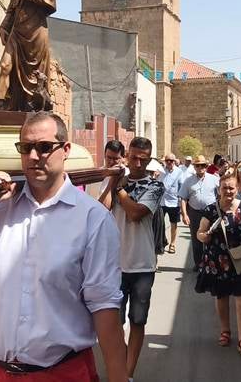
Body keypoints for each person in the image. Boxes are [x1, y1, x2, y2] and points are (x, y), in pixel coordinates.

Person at [0, 112, 128, 381]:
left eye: (44, 147)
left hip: (60, 373)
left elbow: (105, 307)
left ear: (65, 150)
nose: (34, 156)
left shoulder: (92, 220)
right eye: (26, 148)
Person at [194, 166, 241, 358]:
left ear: (237, 189)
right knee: (222, 297)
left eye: (231, 188)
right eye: (225, 188)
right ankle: (225, 330)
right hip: (218, 261)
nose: (228, 191)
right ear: (219, 189)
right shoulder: (211, 210)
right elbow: (200, 233)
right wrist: (204, 236)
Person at [110, 137, 165, 380]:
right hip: (114, 265)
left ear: (149, 159)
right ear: (127, 156)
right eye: (134, 158)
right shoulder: (114, 181)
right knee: (114, 324)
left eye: (143, 159)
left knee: (137, 321)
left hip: (143, 265)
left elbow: (135, 213)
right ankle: (120, 368)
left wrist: (119, 189)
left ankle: (128, 374)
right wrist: (113, 183)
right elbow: (101, 208)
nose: (138, 163)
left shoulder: (155, 186)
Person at [178, 155, 219, 271]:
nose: (200, 167)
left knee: (211, 238)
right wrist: (184, 214)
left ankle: (211, 262)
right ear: (194, 167)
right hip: (194, 213)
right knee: (196, 239)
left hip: (210, 213)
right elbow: (183, 198)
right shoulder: (188, 181)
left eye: (203, 165)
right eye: (198, 165)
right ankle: (199, 264)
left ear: (206, 166)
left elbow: (220, 194)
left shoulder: (214, 179)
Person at [159, 153, 184, 254]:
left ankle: (172, 244)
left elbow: (181, 187)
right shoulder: (160, 171)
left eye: (171, 160)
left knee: (173, 224)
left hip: (174, 202)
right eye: (167, 160)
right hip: (162, 202)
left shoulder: (179, 172)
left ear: (174, 161)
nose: (169, 162)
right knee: (160, 224)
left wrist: (181, 203)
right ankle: (161, 242)